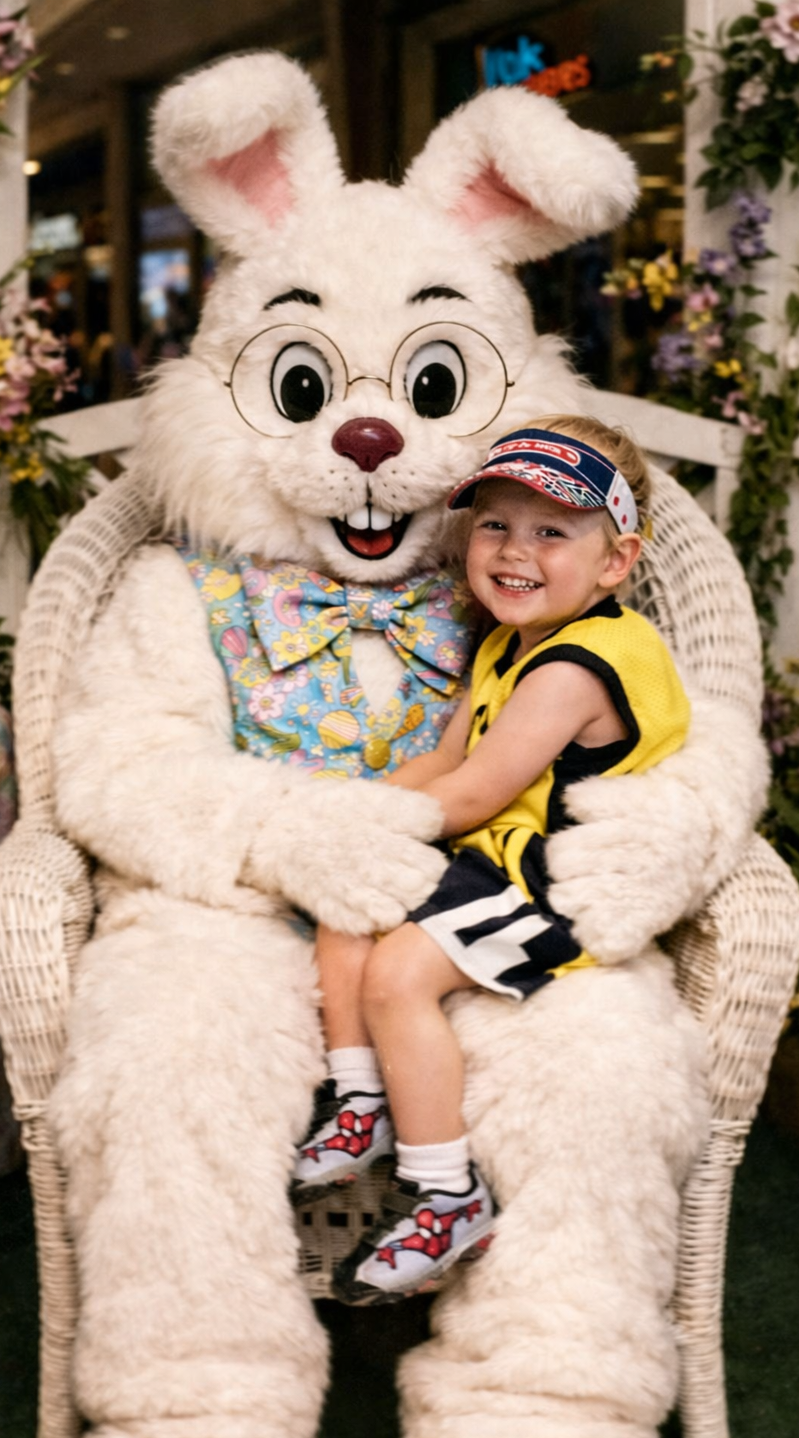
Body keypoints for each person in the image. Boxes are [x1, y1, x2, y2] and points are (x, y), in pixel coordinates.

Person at [291, 416, 692, 1304]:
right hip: (485, 855)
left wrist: (383, 830)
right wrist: (355, 817)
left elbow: (475, 794)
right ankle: (359, 1103)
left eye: (553, 531)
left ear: (616, 562)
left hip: (546, 882)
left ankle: (446, 1192)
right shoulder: (508, 641)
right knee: (347, 899)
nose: (516, 550)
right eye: (498, 524)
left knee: (398, 973)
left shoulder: (577, 665)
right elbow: (446, 759)